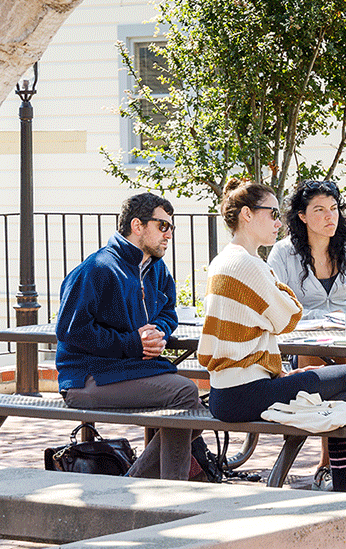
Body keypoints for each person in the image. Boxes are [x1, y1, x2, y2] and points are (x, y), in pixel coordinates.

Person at [198, 178, 346, 496]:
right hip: (245, 395)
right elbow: (288, 316)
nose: (277, 221)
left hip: (228, 391)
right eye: (271, 213)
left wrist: (281, 372)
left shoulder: (224, 260)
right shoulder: (250, 265)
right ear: (247, 215)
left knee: (344, 387)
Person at [56, 192, 203, 481]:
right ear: (137, 226)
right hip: (87, 379)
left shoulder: (156, 268)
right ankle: (171, 490)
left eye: (171, 227)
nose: (169, 234)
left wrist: (157, 331)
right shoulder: (98, 268)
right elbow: (70, 330)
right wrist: (132, 344)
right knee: (186, 395)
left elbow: (169, 310)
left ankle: (145, 484)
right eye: (163, 226)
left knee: (195, 411)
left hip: (126, 371)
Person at [268, 178, 346, 489]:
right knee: (336, 370)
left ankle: (332, 465)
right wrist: (317, 318)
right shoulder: (283, 253)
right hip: (305, 339)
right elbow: (277, 302)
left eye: (334, 209)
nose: (331, 217)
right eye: (320, 210)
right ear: (302, 216)